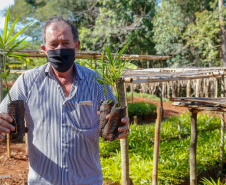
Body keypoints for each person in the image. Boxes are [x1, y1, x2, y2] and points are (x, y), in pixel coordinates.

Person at [0, 16, 129, 185]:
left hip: (87, 181)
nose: (60, 48)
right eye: (53, 44)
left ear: (76, 46)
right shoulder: (27, 81)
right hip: (42, 182)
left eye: (66, 43)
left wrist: (122, 128)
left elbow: (117, 123)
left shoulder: (97, 82)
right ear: (44, 49)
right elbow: (3, 115)